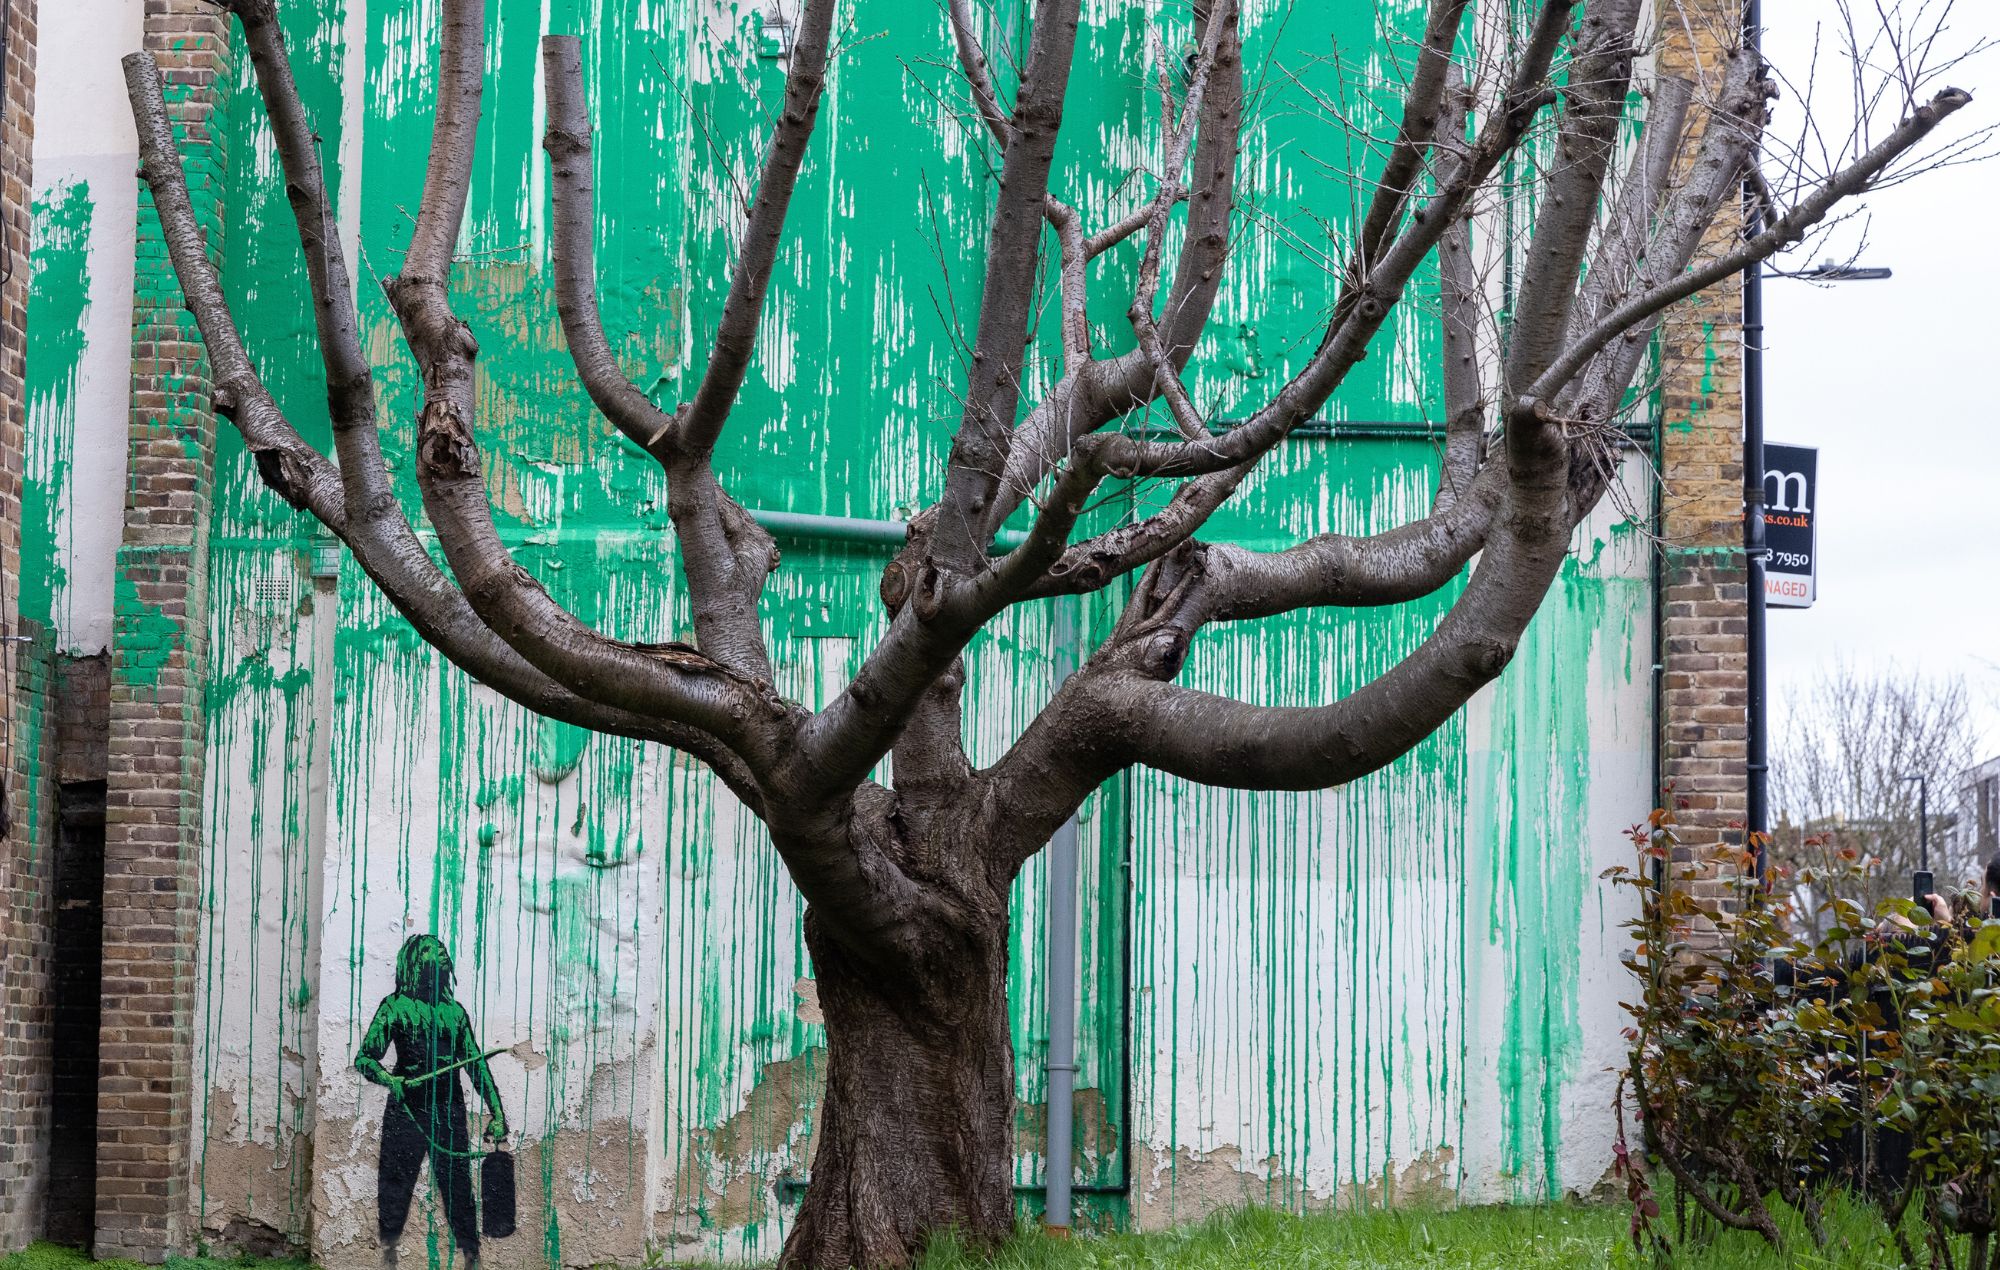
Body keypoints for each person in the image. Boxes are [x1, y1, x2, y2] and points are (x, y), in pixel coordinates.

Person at [357, 934, 507, 1265]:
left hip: (449, 1112)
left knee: (458, 1190)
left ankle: (472, 1256)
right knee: (395, 1185)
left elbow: (476, 1066)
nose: (438, 956)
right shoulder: (394, 1007)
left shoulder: (454, 1013)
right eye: (430, 953)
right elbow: (365, 1059)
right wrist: (388, 1079)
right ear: (414, 963)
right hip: (406, 1111)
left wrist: (497, 1112)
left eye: (441, 953)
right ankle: (388, 1254)